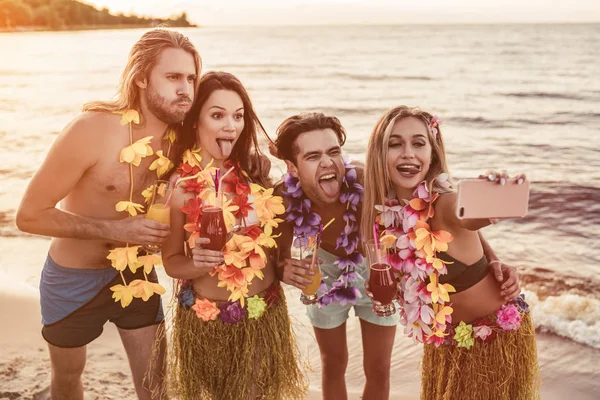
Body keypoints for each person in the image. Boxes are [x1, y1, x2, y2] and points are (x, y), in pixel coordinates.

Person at [270, 112, 521, 400]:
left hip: (378, 278)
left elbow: (458, 219)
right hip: (324, 282)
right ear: (292, 166)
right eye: (313, 156)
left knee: (378, 368)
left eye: (334, 152)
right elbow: (277, 255)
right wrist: (282, 270)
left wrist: (492, 259)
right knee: (333, 364)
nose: (328, 163)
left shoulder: (367, 182)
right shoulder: (283, 199)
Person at [15, 28, 201, 400]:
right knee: (68, 378)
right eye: (173, 77)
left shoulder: (184, 139)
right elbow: (29, 216)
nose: (186, 89)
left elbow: (230, 153)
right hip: (72, 280)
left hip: (138, 275)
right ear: (142, 77)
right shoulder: (91, 130)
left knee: (157, 385)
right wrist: (118, 227)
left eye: (191, 78)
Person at [361, 106, 539, 399]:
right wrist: (494, 259)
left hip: (493, 341)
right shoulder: (387, 217)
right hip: (445, 344)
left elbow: (467, 216)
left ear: (432, 153)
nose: (408, 153)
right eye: (395, 144)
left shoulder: (442, 202)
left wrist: (493, 200)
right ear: (379, 154)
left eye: (418, 143)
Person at [161, 71, 306, 400]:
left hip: (264, 315)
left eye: (238, 116)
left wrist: (287, 268)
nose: (231, 126)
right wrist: (200, 262)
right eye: (217, 115)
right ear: (195, 121)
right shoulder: (180, 187)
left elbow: (275, 248)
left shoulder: (257, 174)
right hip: (206, 321)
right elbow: (171, 262)